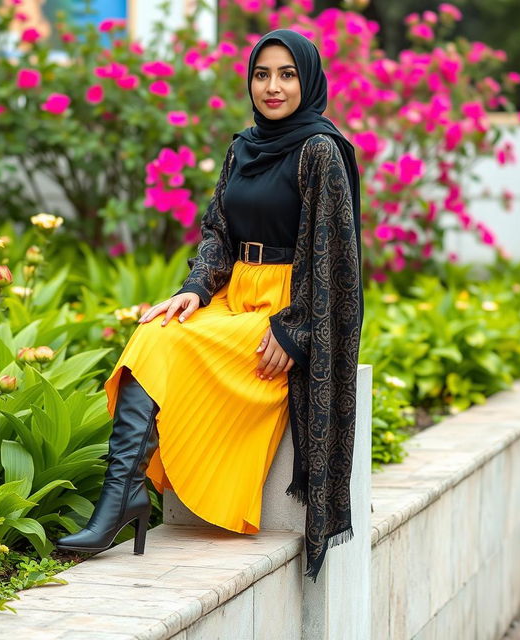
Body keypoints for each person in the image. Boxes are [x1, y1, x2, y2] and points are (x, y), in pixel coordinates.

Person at [56, 28, 363, 582]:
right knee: (154, 333)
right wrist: (193, 290)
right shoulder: (242, 147)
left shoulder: (322, 151)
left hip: (283, 304)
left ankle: (120, 505)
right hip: (232, 294)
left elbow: (335, 258)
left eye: (287, 74)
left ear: (308, 81)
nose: (272, 87)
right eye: (262, 74)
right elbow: (218, 231)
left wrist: (296, 331)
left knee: (174, 345)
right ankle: (120, 497)